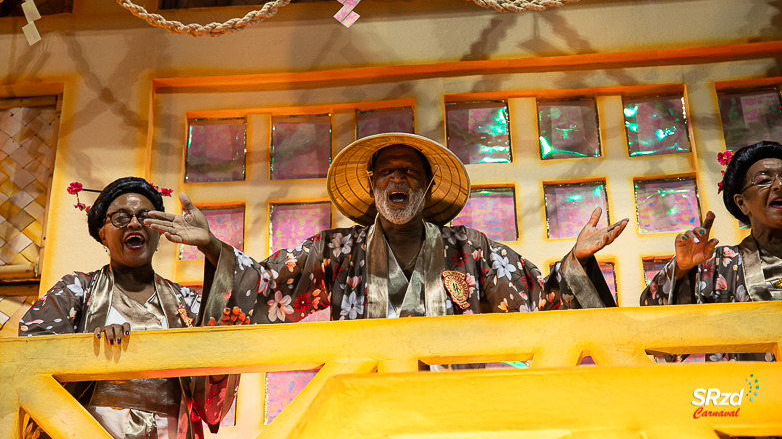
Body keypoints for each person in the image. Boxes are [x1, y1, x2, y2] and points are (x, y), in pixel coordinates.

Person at [147, 133, 627, 325]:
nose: (398, 178)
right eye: (388, 172)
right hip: (359, 403)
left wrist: (579, 260)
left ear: (427, 185)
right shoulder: (334, 251)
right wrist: (211, 246)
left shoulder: (470, 250)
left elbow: (541, 299)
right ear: (373, 185)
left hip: (456, 409)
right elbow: (266, 285)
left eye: (409, 171)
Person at [19, 177, 239, 439]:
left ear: (158, 231)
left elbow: (220, 354)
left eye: (144, 216)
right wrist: (92, 347)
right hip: (90, 426)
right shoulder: (75, 290)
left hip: (170, 430)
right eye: (121, 217)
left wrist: (210, 245)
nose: (135, 223)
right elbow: (31, 358)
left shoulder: (186, 302)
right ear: (103, 233)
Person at [640, 141, 782, 362]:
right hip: (749, 392)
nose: (779, 185)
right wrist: (683, 269)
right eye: (764, 180)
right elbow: (660, 332)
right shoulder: (719, 265)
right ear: (742, 203)